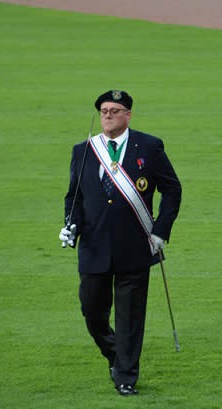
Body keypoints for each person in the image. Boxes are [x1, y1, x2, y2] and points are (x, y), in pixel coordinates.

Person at [59, 90, 182, 396]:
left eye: (115, 110)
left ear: (128, 115)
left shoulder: (149, 147)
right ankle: (116, 354)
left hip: (135, 246)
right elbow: (74, 196)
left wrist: (160, 230)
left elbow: (172, 189)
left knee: (130, 317)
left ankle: (126, 375)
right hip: (94, 247)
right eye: (104, 110)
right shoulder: (84, 150)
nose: (108, 115)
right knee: (92, 311)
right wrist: (70, 225)